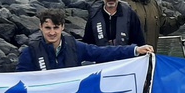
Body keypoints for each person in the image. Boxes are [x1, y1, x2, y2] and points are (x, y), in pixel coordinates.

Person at [18, 8, 153, 71]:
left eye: (56, 27)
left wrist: (135, 50)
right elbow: (19, 82)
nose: (52, 32)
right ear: (40, 27)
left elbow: (104, 52)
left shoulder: (75, 47)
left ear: (63, 27)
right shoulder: (29, 53)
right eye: (47, 28)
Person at [82, 0, 146, 47]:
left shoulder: (130, 15)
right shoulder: (94, 16)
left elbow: (140, 44)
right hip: (101, 56)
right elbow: (87, 45)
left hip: (125, 57)